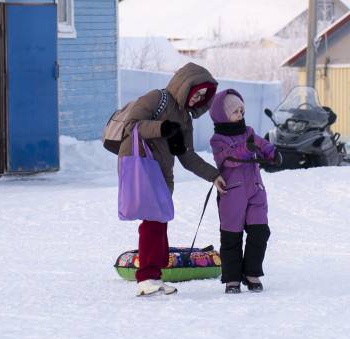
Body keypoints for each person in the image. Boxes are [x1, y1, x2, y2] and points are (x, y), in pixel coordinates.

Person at [118, 63, 227, 297]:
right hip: (141, 165)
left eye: (202, 96)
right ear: (184, 85)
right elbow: (131, 125)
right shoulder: (158, 98)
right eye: (195, 92)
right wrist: (164, 128)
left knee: (159, 221)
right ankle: (146, 277)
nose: (197, 98)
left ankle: (153, 276)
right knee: (153, 221)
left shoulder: (186, 119)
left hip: (161, 172)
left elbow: (187, 156)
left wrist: (214, 175)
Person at [209, 89, 276, 294]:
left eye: (241, 110)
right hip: (232, 193)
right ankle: (232, 279)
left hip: (255, 189)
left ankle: (251, 272)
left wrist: (273, 153)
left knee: (260, 231)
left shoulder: (249, 132)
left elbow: (263, 145)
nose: (240, 114)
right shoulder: (217, 140)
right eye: (235, 111)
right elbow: (227, 158)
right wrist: (248, 149)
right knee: (231, 236)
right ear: (223, 115)